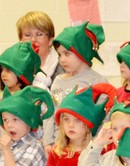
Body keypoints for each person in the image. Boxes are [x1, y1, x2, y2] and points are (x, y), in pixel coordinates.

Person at [42, 83, 116, 166]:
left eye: (77, 120)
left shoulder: (98, 152)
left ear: (88, 125)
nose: (70, 125)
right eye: (66, 119)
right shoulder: (57, 152)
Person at [43, 21, 108, 154]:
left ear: (82, 52)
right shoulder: (58, 81)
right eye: (60, 54)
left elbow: (103, 119)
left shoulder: (98, 82)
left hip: (86, 148)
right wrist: (48, 141)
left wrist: (95, 146)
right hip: (60, 147)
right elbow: (51, 114)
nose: (62, 59)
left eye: (67, 54)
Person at [0, 85, 54, 166]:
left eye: (15, 119)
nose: (9, 125)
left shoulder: (34, 146)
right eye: (5, 120)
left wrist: (6, 151)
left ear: (29, 120)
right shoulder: (7, 146)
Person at [16, 11, 64, 90]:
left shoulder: (65, 67)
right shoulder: (14, 69)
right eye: (28, 35)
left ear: (50, 40)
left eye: (39, 34)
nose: (33, 40)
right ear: (21, 40)